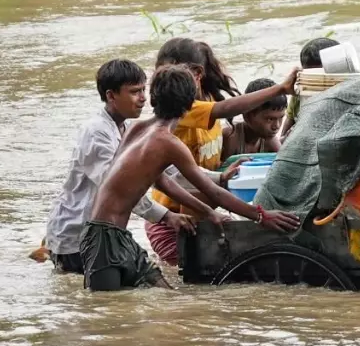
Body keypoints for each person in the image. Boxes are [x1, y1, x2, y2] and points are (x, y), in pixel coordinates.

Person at [81, 66, 301, 291]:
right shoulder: (169, 143)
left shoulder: (137, 128)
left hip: (116, 235)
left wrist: (209, 212)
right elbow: (213, 192)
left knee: (167, 297)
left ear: (153, 98)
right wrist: (261, 216)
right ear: (190, 105)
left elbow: (162, 181)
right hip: (103, 238)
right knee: (104, 308)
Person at [143, 38, 299, 265]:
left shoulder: (207, 98)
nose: (164, 81)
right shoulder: (182, 108)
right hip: (173, 218)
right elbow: (225, 108)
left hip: (201, 204)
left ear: (198, 74)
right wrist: (280, 88)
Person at [43, 59, 196, 274]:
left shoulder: (129, 129)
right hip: (75, 236)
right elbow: (122, 189)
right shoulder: (96, 133)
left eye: (143, 90)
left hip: (102, 236)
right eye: (134, 92)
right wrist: (166, 216)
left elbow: (171, 172)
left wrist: (221, 178)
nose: (143, 98)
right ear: (111, 95)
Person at [279, 36, 339, 141]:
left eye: (323, 77)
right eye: (312, 77)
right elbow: (283, 139)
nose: (318, 83)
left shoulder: (347, 94)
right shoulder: (300, 94)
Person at [221, 78, 285, 159]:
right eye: (270, 119)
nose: (276, 126)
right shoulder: (231, 137)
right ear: (247, 116)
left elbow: (283, 161)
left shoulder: (270, 139)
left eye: (281, 118)